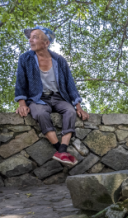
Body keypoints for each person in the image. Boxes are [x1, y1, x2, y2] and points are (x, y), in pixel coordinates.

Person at [14, 26, 89, 166]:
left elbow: (70, 84)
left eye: (35, 37)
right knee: (41, 113)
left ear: (46, 43)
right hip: (38, 98)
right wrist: (22, 104)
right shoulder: (25, 59)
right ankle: (60, 150)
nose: (30, 39)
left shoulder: (59, 60)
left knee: (70, 111)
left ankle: (62, 149)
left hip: (59, 97)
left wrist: (78, 106)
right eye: (30, 37)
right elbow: (20, 82)